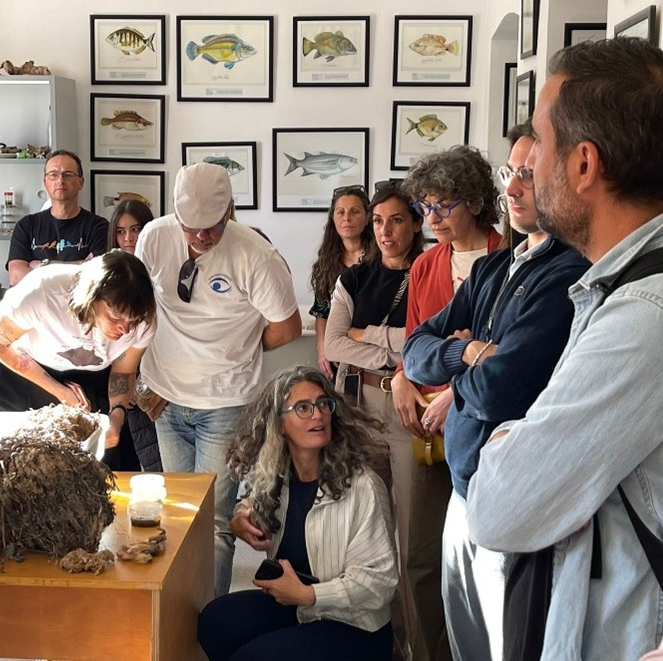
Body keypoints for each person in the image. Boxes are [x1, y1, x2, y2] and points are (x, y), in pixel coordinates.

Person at [465, 38, 663, 660]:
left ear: (584, 164)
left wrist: (508, 437)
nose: (528, 168)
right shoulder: (636, 285)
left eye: (539, 146)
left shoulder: (649, 318)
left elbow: (500, 507)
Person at [402, 122, 590, 661]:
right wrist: (466, 352)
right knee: (466, 641)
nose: (514, 187)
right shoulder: (494, 268)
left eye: (529, 173)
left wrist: (463, 372)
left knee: (505, 645)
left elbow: (500, 389)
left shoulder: (569, 272)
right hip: (464, 486)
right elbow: (414, 348)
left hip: (511, 495)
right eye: (511, 171)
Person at [134, 162, 301, 597]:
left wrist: (235, 349)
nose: (201, 236)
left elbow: (286, 327)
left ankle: (208, 620)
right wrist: (144, 380)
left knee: (212, 522)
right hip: (165, 398)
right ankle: (176, 615)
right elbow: (139, 309)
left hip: (224, 403)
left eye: (211, 226)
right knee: (176, 515)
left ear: (230, 209)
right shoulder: (153, 237)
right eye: (190, 227)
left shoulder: (256, 255)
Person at [388, 145, 503, 661]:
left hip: (481, 424)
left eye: (443, 206)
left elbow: (507, 356)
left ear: (475, 201)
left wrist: (453, 384)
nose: (432, 219)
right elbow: (415, 345)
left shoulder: (509, 256)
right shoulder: (426, 264)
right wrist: (401, 379)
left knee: (481, 552)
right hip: (423, 424)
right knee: (419, 552)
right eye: (425, 207)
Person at [198, 366, 398, 661]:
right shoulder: (276, 474)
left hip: (353, 625)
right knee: (215, 622)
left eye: (323, 404)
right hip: (296, 607)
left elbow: (379, 583)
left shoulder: (363, 486)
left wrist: (308, 595)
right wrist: (240, 519)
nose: (317, 415)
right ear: (280, 424)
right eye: (303, 408)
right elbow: (250, 503)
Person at [322, 184, 423, 660]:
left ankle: (415, 644)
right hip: (361, 406)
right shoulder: (355, 278)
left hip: (409, 407)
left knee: (412, 534)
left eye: (396, 220)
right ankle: (377, 641)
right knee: (369, 528)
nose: (385, 230)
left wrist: (369, 335)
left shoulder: (429, 271)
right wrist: (394, 344)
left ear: (415, 224)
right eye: (379, 220)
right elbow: (334, 344)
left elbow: (432, 340)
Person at [0, 250, 156, 451]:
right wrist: (59, 391)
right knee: (23, 457)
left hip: (94, 376)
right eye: (115, 317)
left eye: (132, 321)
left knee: (100, 457)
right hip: (24, 373)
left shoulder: (144, 320)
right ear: (92, 297)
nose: (125, 329)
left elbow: (123, 372)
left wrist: (116, 417)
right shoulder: (44, 293)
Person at [106, 198, 161, 471]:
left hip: (156, 371)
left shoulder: (161, 270)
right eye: (121, 231)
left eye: (135, 229)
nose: (128, 238)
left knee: (156, 461)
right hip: (118, 373)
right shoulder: (107, 274)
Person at [6, 149, 108, 286]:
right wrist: (81, 265)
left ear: (81, 182)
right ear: (45, 182)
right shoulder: (26, 225)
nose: (60, 180)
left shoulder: (98, 226)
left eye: (68, 175)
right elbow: (16, 276)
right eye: (53, 175)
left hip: (77, 301)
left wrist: (42, 266)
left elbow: (97, 276)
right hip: (39, 301)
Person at [308, 186, 374, 378]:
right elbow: (322, 311)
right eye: (341, 212)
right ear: (333, 218)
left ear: (367, 218)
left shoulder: (380, 258)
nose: (347, 218)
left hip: (371, 351)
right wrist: (322, 347)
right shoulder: (326, 262)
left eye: (355, 211)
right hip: (337, 353)